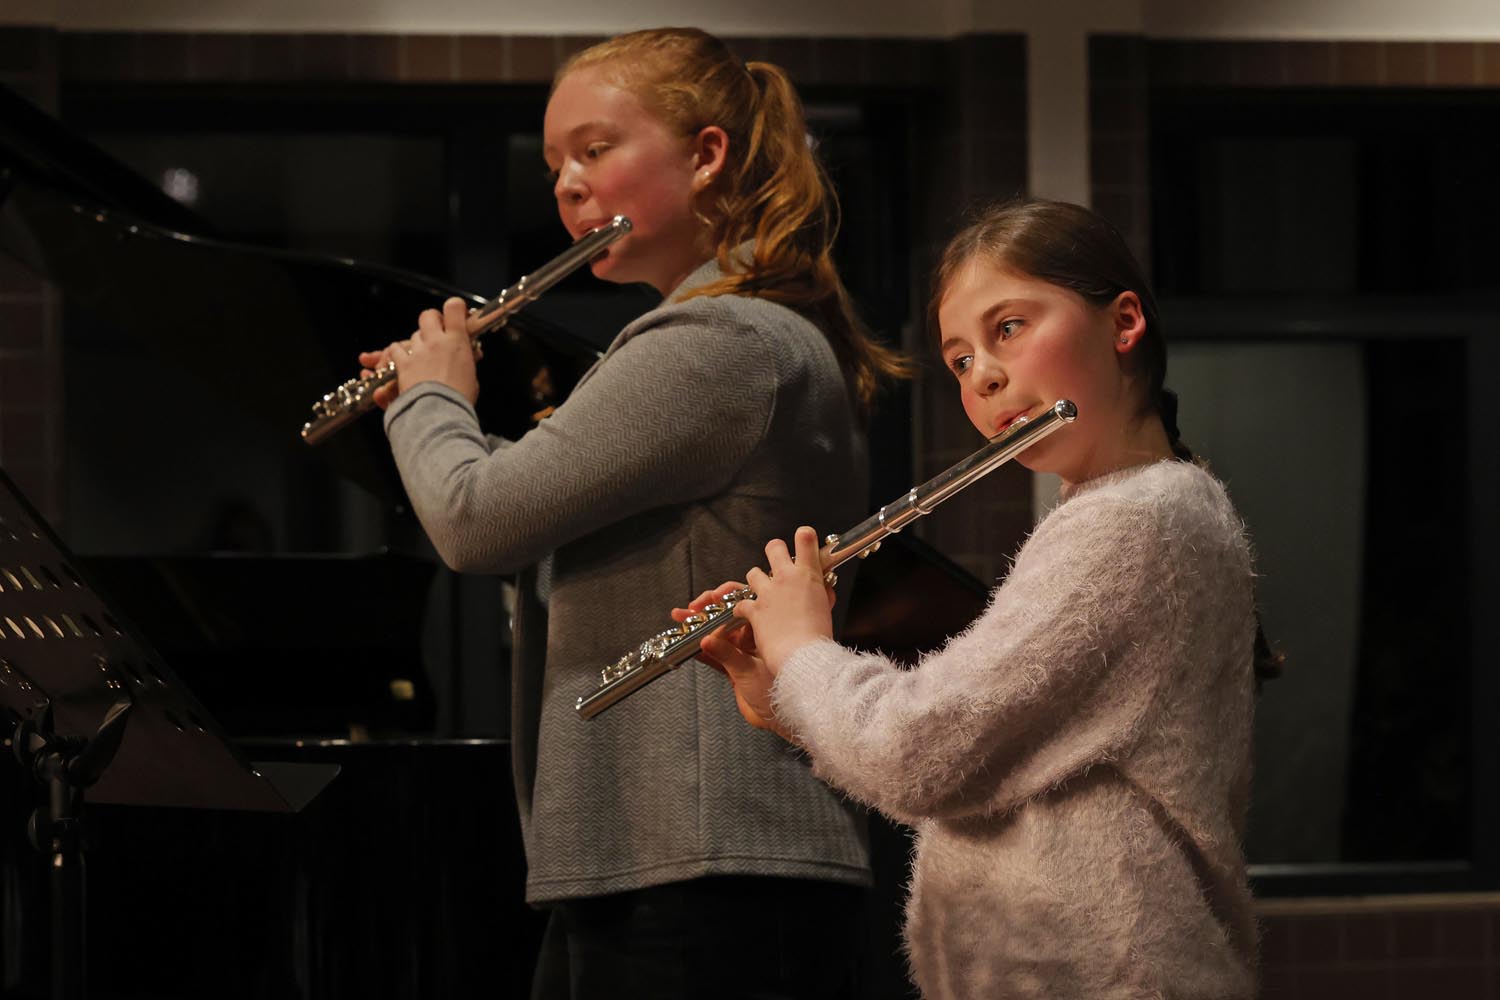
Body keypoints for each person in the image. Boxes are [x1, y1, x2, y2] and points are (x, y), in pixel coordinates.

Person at [357, 26, 907, 1000]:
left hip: (702, 856)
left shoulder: (715, 339)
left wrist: (429, 393)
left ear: (705, 155)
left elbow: (476, 519)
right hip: (674, 848)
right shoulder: (727, 333)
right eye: (555, 163)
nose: (567, 183)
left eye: (596, 148)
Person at [689, 200, 1277, 998]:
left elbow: (918, 752)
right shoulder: (1147, 509)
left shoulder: (1133, 523)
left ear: (1125, 322)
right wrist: (787, 694)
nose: (985, 377)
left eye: (1010, 328)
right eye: (959, 360)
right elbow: (991, 754)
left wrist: (804, 651)